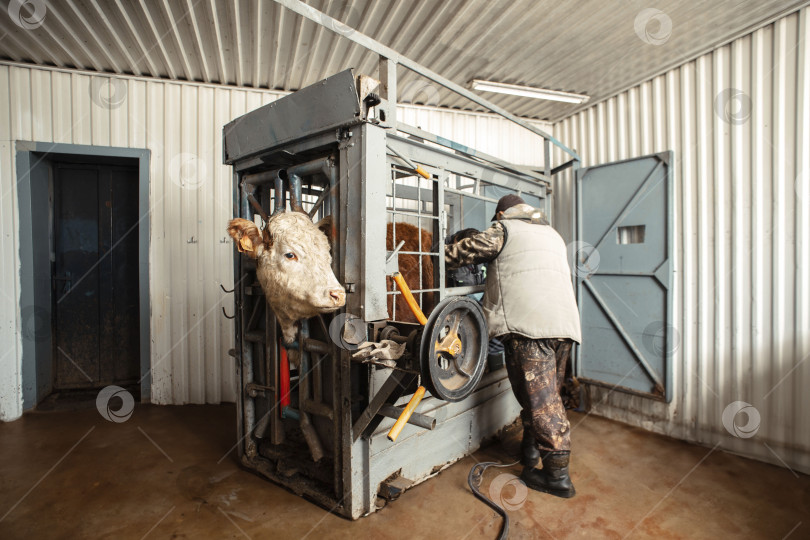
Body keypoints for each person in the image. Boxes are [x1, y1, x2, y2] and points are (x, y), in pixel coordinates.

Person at [444, 194, 582, 499]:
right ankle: (530, 453)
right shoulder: (552, 234)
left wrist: (430, 255)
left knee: (542, 403)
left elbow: (464, 253)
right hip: (564, 324)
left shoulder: (505, 228)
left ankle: (558, 478)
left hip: (529, 327)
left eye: (497, 217)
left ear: (503, 213)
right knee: (546, 395)